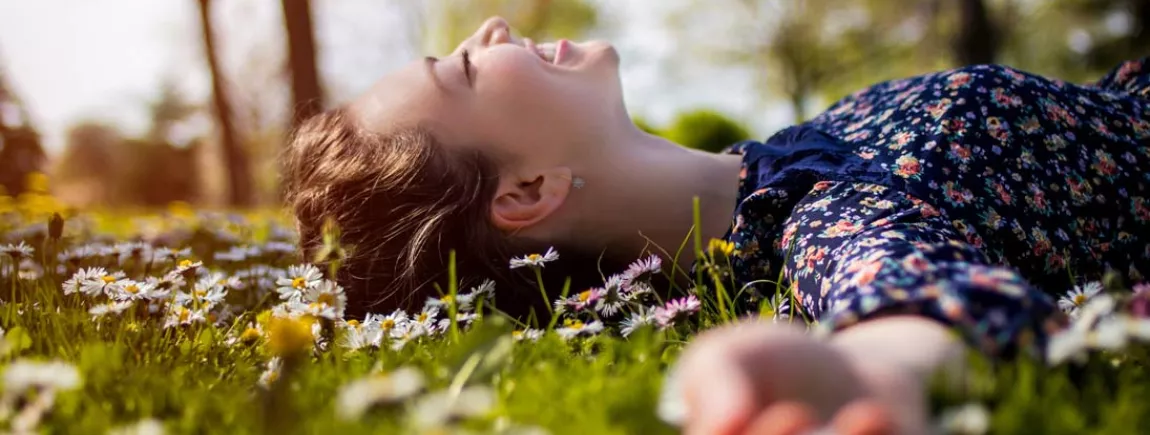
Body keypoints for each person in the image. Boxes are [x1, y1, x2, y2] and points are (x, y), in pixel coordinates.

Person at [281, 16, 1150, 434]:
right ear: (526, 193)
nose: (493, 27)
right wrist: (866, 376)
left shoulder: (781, 158)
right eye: (466, 68)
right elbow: (906, 296)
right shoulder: (818, 218)